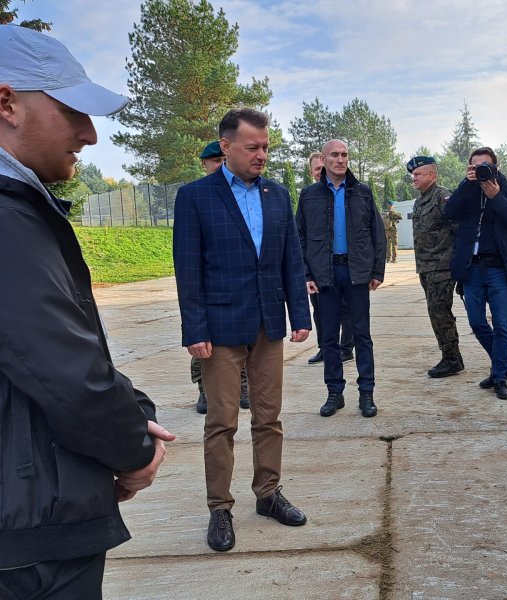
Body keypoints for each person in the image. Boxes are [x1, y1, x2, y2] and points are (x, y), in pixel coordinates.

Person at [0, 26, 174, 598]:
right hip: (28, 543)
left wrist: (131, 409)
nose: (90, 134)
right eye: (72, 110)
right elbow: (65, 372)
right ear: (7, 103)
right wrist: (134, 446)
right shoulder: (6, 219)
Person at [173, 108, 311, 553]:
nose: (261, 155)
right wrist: (194, 329)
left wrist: (300, 314)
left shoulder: (277, 195)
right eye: (253, 147)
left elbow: (291, 259)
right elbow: (188, 270)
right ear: (226, 146)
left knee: (269, 417)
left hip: (268, 325)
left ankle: (268, 494)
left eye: (265, 147)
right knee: (222, 422)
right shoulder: (195, 197)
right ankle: (220, 507)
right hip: (219, 329)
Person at [296, 139, 386, 418]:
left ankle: (366, 393)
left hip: (356, 273)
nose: (340, 159)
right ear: (323, 160)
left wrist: (377, 271)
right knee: (328, 337)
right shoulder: (309, 195)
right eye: (334, 155)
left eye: (344, 154)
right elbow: (299, 237)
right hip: (324, 274)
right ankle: (334, 392)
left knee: (362, 335)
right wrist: (306, 274)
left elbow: (377, 233)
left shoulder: (362, 192)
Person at [444, 147, 507, 400]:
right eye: (475, 166)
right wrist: (465, 184)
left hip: (499, 268)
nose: (480, 170)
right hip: (472, 269)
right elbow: (449, 213)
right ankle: (503, 365)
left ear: (496, 167)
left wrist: (496, 197)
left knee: (502, 325)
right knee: (477, 323)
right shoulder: (466, 189)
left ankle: (499, 377)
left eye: (485, 166)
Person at [191, 140, 250, 413]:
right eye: (214, 161)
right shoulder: (196, 197)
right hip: (207, 287)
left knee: (243, 339)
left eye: (223, 160)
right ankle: (205, 390)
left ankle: (243, 386)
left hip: (239, 285)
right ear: (205, 164)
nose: (219, 165)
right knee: (204, 342)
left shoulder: (242, 195)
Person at [407, 155, 463, 378]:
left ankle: (451, 358)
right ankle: (452, 356)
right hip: (426, 267)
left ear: (432, 175)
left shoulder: (443, 197)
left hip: (442, 267)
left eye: (418, 174)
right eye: (413, 175)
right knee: (436, 311)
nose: (414, 178)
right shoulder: (420, 200)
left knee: (439, 312)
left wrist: (459, 264)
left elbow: (459, 230)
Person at [304, 151, 355, 366]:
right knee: (319, 310)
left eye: (323, 168)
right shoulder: (308, 197)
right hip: (318, 267)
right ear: (312, 172)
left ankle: (345, 348)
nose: (321, 172)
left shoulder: (347, 194)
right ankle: (325, 348)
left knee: (346, 309)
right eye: (317, 169)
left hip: (342, 264)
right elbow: (302, 234)